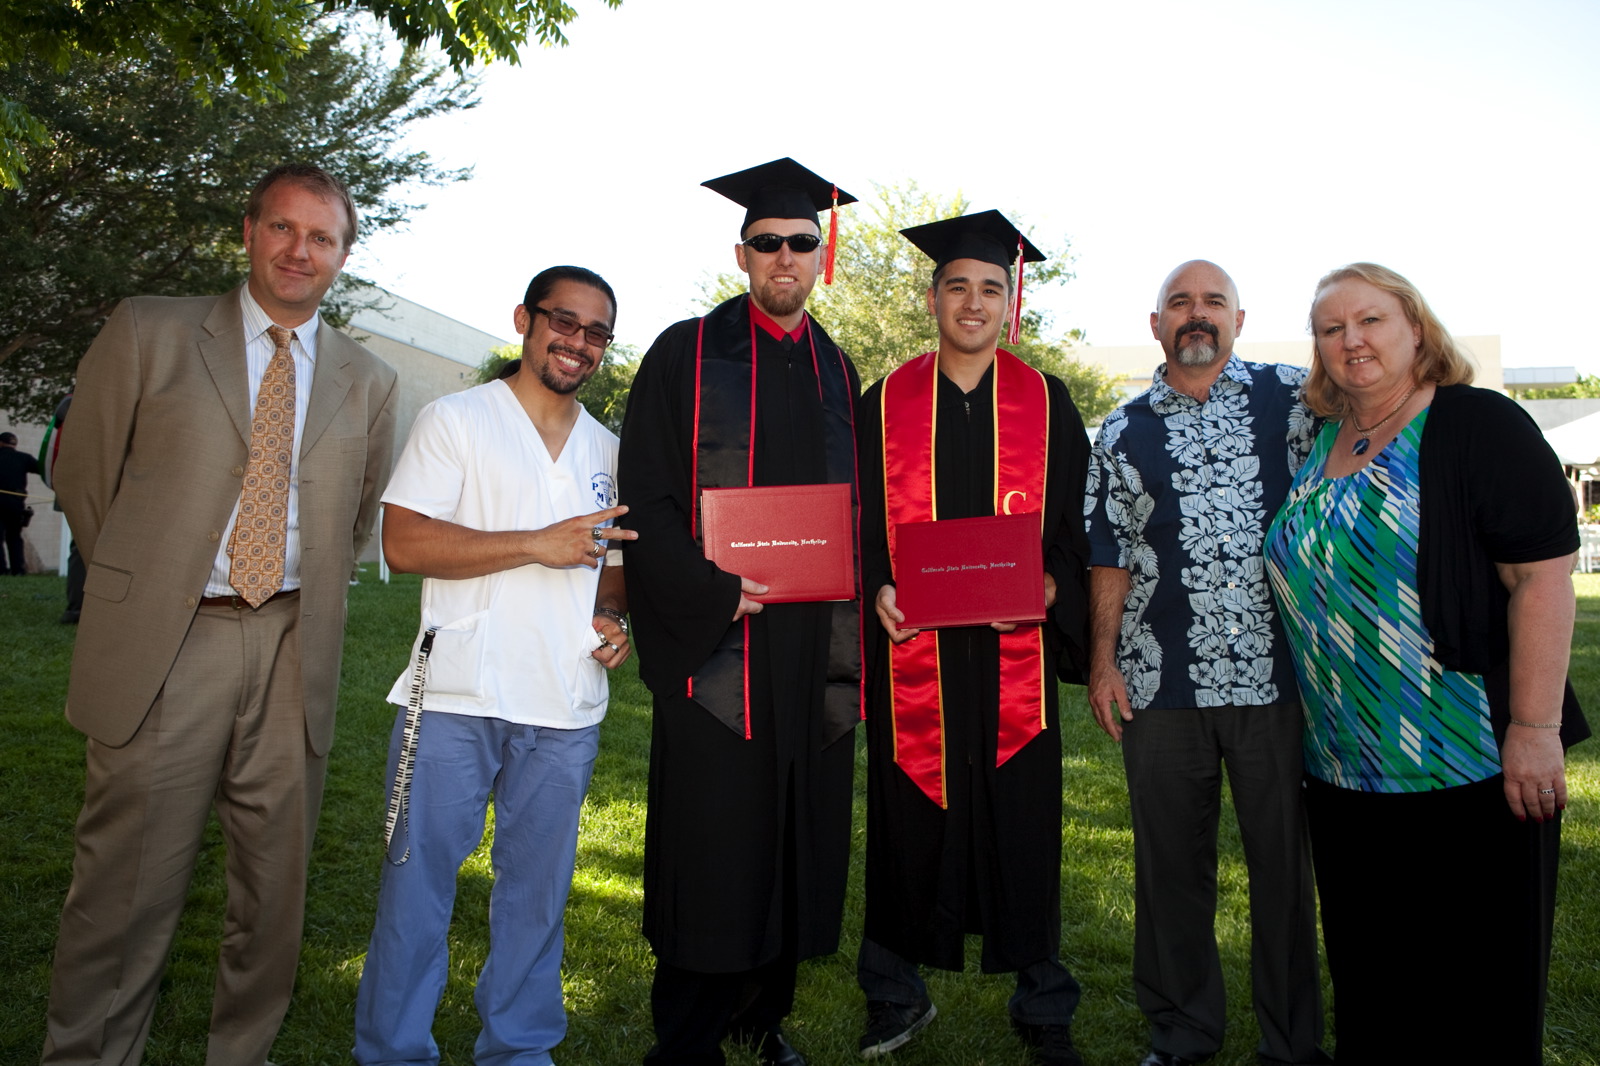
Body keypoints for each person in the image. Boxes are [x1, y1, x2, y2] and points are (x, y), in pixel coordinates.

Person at [43, 163, 398, 1066]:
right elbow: (85, 475)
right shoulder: (149, 330)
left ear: (343, 256)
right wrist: (146, 581)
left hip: (293, 646)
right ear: (247, 232)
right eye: (283, 228)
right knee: (125, 886)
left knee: (273, 894)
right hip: (170, 641)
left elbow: (357, 516)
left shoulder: (369, 379)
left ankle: (244, 1053)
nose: (299, 251)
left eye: (321, 238)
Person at [1264, 262, 1587, 1063]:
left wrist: (1535, 729)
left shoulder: (1476, 424)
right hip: (1344, 773)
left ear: (1416, 327)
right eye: (1331, 328)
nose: (1351, 340)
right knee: (1377, 994)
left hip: (1467, 763)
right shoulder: (1327, 441)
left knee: (1477, 997)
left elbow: (1542, 578)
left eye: (1370, 320)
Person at [352, 265, 632, 1066]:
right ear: (525, 319)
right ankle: (394, 1052)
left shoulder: (610, 448)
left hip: (565, 704)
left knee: (536, 903)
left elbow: (613, 564)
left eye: (596, 332)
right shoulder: (457, 419)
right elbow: (404, 542)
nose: (578, 342)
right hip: (455, 695)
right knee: (415, 891)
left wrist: (615, 617)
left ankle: (519, 1051)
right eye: (563, 321)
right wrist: (535, 544)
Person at [618, 157, 861, 1066]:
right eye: (767, 243)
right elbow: (646, 498)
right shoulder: (685, 353)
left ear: (820, 255)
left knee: (791, 832)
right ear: (742, 254)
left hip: (812, 646)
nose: (784, 257)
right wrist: (715, 592)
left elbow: (860, 511)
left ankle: (763, 1014)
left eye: (800, 242)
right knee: (714, 844)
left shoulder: (840, 371)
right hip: (717, 643)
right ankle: (687, 1040)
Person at [854, 212, 1091, 1066]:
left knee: (1023, 816)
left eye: (991, 287)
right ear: (932, 299)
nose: (974, 302)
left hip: (1011, 653)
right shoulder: (883, 403)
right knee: (905, 810)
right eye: (957, 286)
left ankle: (1043, 997)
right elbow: (858, 528)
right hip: (913, 650)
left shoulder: (1048, 403)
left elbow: (1076, 527)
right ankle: (892, 988)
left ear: (1009, 304)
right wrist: (877, 589)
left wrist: (1052, 586)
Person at [1085, 261, 1325, 1066]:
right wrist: (1103, 662)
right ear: (1156, 324)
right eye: (1180, 303)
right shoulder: (1121, 430)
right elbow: (1109, 553)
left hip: (1279, 679)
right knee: (1170, 869)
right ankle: (1182, 1031)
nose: (1197, 314)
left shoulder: (1297, 399)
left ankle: (1291, 1042)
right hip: (1161, 680)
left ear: (1239, 320)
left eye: (1213, 302)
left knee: (1283, 869)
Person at [0, 429, 40, 574]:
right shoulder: (24, 458)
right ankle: (18, 570)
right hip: (16, 503)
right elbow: (42, 469)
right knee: (15, 537)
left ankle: (1, 569)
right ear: (15, 444)